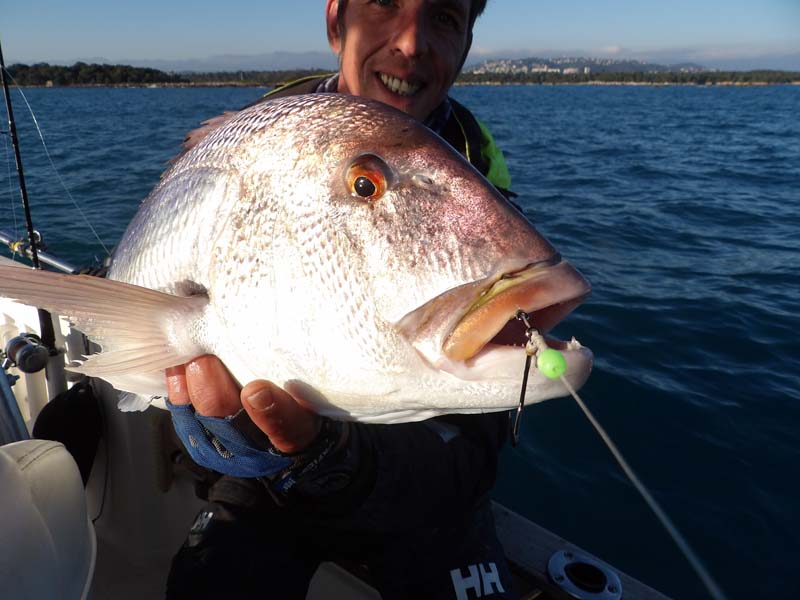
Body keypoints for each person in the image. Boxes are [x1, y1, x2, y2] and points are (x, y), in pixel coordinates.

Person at [165, 1, 518, 598]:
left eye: (446, 18)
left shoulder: (474, 164)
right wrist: (229, 443)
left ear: (465, 44)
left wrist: (336, 455)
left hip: (422, 464)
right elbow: (168, 318)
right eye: (384, 3)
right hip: (270, 491)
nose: (411, 41)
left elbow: (475, 438)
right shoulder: (254, 144)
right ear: (336, 22)